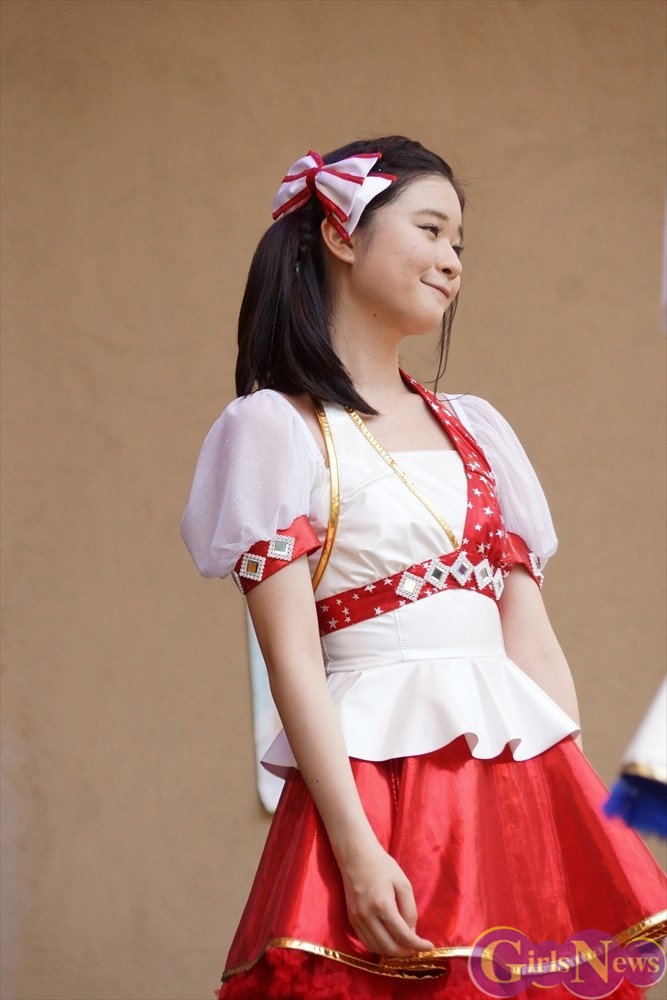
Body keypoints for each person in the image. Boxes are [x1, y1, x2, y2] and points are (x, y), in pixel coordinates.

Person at [181, 137, 666, 1000]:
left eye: (459, 243)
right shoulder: (273, 428)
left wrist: (567, 822)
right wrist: (356, 849)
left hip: (514, 795)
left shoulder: (478, 427)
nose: (451, 260)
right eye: (431, 229)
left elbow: (532, 645)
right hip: (375, 793)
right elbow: (293, 662)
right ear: (341, 235)